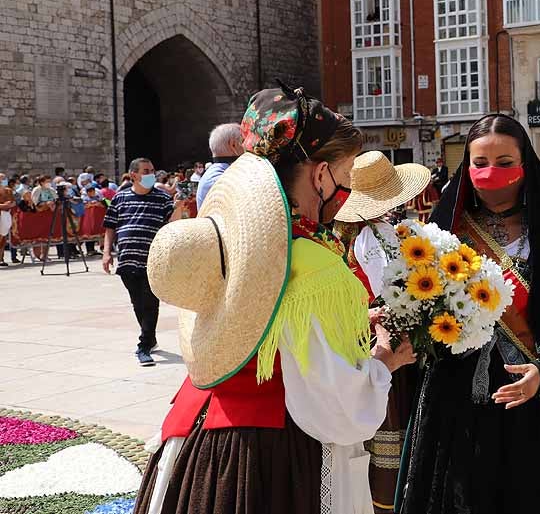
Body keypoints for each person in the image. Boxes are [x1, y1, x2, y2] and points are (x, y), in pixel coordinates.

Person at [132, 85, 416, 514]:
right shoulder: (310, 264)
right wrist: (382, 361)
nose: (347, 191)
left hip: (198, 440)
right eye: (346, 175)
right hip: (272, 457)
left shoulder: (239, 243)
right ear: (320, 175)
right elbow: (337, 407)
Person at [399, 114, 540, 514]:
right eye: (479, 163)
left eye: (503, 162)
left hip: (534, 392)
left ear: (525, 165)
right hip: (456, 395)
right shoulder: (446, 231)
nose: (490, 172)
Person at [334, 150, 431, 514]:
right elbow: (386, 291)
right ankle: (386, 500)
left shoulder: (382, 233)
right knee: (390, 423)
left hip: (386, 337)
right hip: (385, 342)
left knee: (394, 423)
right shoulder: (370, 239)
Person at [102, 158, 175, 366]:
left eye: (152, 170)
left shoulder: (162, 198)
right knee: (138, 303)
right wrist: (106, 253)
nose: (151, 174)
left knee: (151, 302)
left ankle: (143, 346)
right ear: (133, 175)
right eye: (146, 171)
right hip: (127, 260)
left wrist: (177, 207)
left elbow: (173, 224)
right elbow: (110, 227)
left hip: (153, 261)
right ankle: (150, 337)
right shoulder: (120, 198)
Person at [196, 123, 245, 209]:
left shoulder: (218, 172)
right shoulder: (219, 179)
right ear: (233, 144)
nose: (247, 146)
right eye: (243, 141)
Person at [0, 173, 14, 267]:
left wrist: (10, 204)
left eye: (4, 178)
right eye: (1, 178)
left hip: (5, 215)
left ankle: (1, 258)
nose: (3, 180)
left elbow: (13, 202)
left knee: (3, 238)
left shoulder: (8, 190)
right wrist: (3, 205)